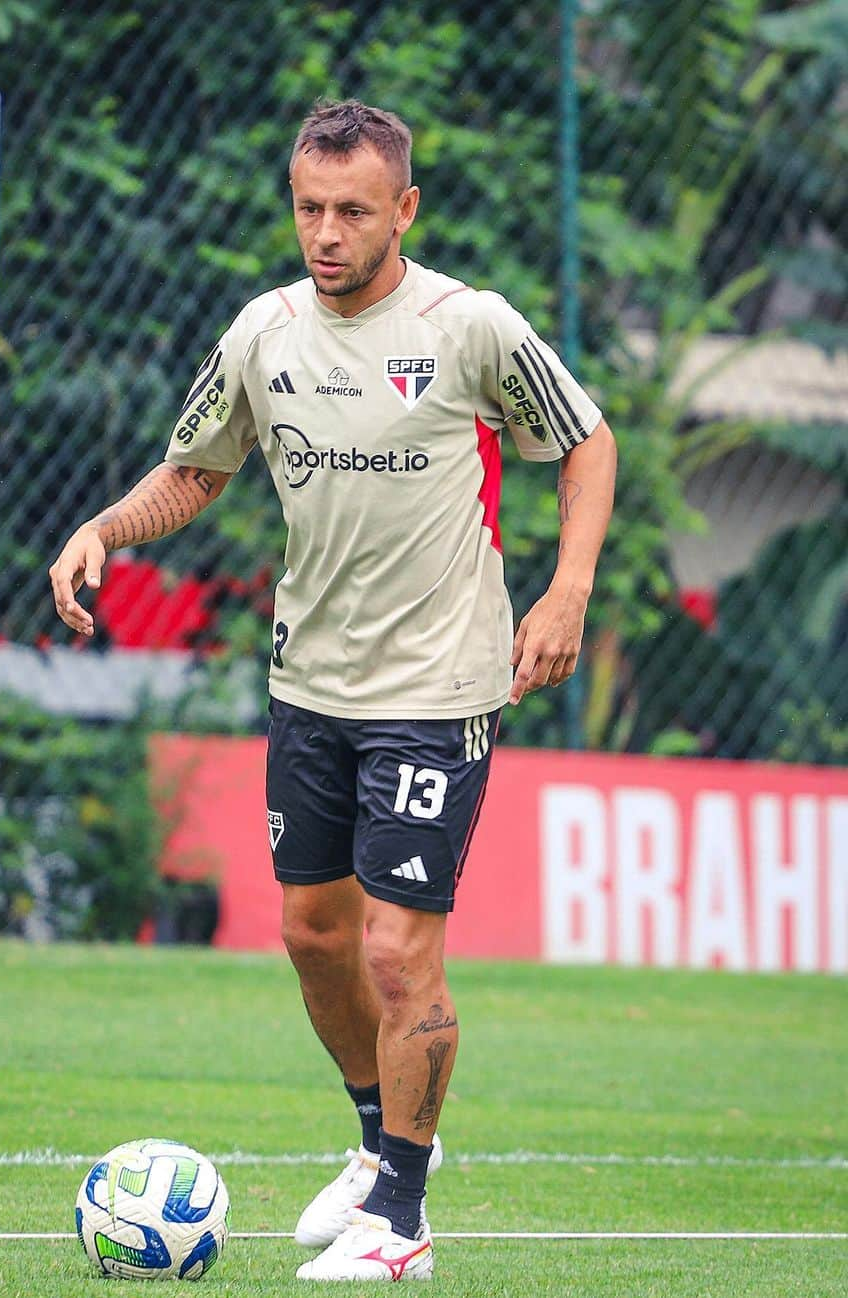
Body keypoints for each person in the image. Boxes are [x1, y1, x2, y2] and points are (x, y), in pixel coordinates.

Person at [50, 99, 616, 1282]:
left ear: (403, 209)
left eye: (353, 210)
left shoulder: (471, 328)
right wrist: (107, 525)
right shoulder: (264, 332)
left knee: (403, 951)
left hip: (438, 681)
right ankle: (381, 1141)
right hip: (311, 680)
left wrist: (565, 595)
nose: (326, 231)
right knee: (315, 934)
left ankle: (401, 1218)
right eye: (310, 207)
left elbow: (587, 440)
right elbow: (193, 472)